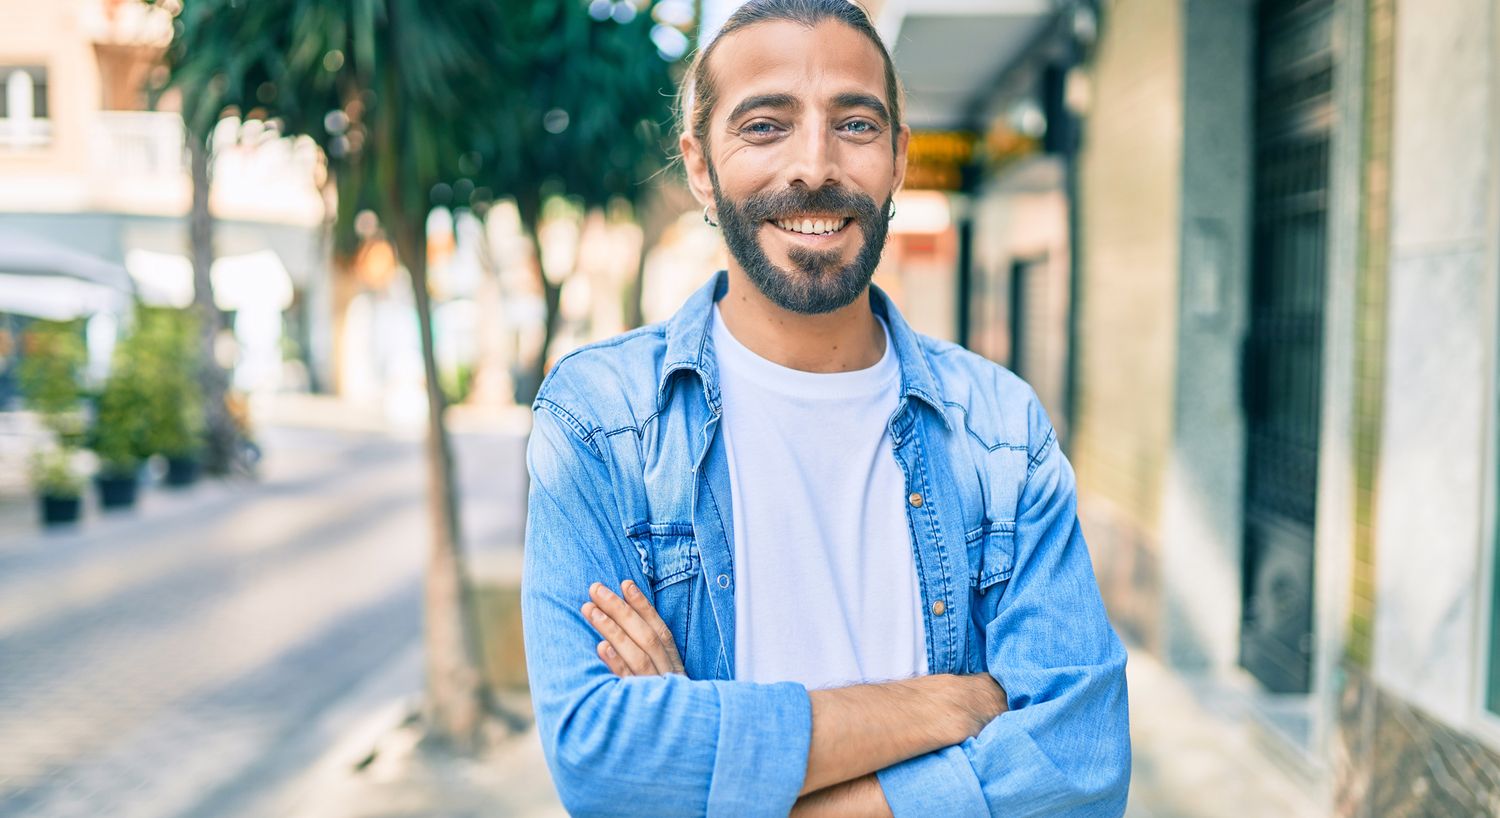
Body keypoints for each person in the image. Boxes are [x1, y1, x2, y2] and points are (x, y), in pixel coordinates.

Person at [520, 1, 1130, 815]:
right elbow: (602, 757)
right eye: (766, 126)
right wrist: (947, 705)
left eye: (855, 124)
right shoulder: (603, 423)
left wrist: (722, 774)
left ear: (899, 157)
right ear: (700, 165)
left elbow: (1081, 769)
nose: (815, 166)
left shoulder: (999, 431)